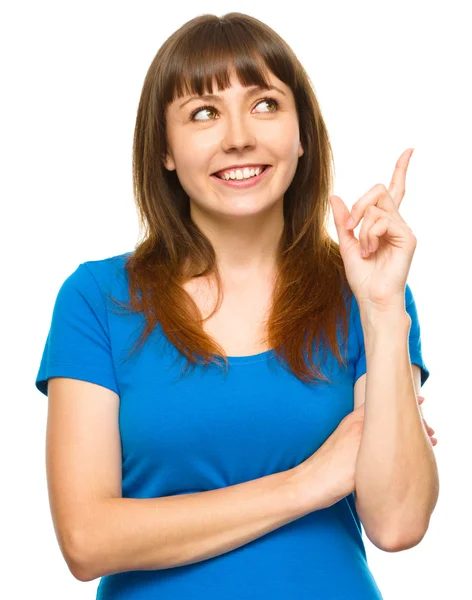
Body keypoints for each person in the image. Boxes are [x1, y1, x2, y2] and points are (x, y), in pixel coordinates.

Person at [35, 11, 438, 600]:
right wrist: (310, 480)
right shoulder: (96, 300)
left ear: (302, 134)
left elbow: (399, 524)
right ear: (165, 151)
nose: (238, 137)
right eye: (203, 113)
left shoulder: (370, 294)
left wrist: (381, 311)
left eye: (266, 104)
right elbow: (86, 539)